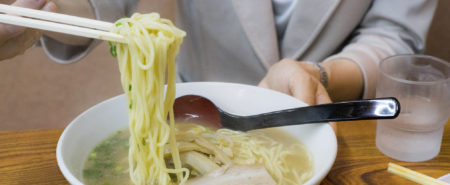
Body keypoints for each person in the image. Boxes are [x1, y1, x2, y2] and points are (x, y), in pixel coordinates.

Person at [1, 0, 438, 107]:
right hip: (198, 110)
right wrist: (44, 11)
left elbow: (394, 35)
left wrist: (319, 74)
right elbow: (104, 5)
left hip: (319, 112)